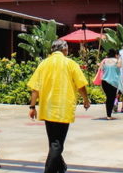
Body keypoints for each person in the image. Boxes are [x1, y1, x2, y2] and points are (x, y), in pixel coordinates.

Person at [28, 39, 90, 173]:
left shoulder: (43, 64)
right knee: (57, 144)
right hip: (63, 108)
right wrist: (86, 99)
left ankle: (61, 167)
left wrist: (32, 107)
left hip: (47, 109)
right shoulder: (70, 63)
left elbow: (35, 88)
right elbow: (81, 85)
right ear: (64, 49)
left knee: (53, 142)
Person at [98, 49, 122, 119]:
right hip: (113, 82)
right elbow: (119, 66)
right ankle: (109, 115)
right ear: (115, 54)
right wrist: (118, 59)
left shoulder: (104, 61)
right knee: (111, 98)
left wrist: (99, 64)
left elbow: (101, 68)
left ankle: (108, 114)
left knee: (108, 98)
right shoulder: (117, 61)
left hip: (104, 82)